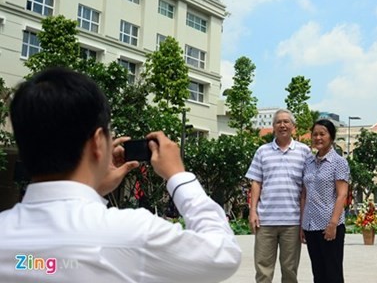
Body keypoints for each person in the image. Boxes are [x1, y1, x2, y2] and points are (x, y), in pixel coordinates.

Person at [0, 67, 241, 282]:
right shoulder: (133, 233)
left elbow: (48, 265)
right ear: (97, 142)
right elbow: (223, 255)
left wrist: (92, 188)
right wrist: (178, 176)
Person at [245, 109, 312, 283]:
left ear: (293, 127)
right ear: (273, 127)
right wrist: (253, 212)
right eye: (278, 122)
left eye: (286, 122)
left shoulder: (304, 152)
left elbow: (307, 188)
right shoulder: (262, 151)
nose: (282, 125)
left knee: (289, 270)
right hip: (265, 220)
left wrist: (305, 219)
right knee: (263, 270)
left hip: (293, 221)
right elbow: (256, 183)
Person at [301, 119, 350, 283]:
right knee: (318, 272)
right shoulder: (308, 163)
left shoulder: (339, 162)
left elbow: (342, 194)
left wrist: (332, 224)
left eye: (322, 134)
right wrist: (302, 225)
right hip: (310, 225)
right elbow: (304, 195)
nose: (318, 138)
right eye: (315, 134)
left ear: (331, 137)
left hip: (329, 226)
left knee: (333, 273)